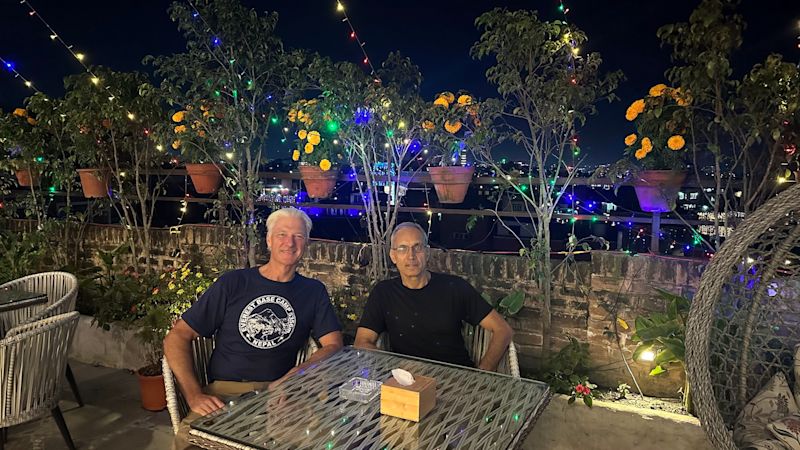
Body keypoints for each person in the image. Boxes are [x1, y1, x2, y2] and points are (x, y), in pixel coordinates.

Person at [164, 207, 343, 450]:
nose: (289, 243)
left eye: (298, 236)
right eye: (281, 234)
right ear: (269, 240)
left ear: (306, 243)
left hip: (281, 395)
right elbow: (177, 337)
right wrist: (194, 395)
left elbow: (333, 344)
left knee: (323, 441)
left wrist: (295, 375)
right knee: (191, 444)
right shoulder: (235, 282)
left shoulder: (312, 291)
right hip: (225, 392)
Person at [354, 222, 513, 371]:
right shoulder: (384, 293)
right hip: (407, 380)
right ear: (393, 256)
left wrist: (483, 374)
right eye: (403, 248)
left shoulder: (454, 288)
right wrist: (395, 366)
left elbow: (502, 330)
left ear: (427, 252)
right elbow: (362, 342)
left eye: (418, 247)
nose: (411, 256)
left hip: (455, 379)